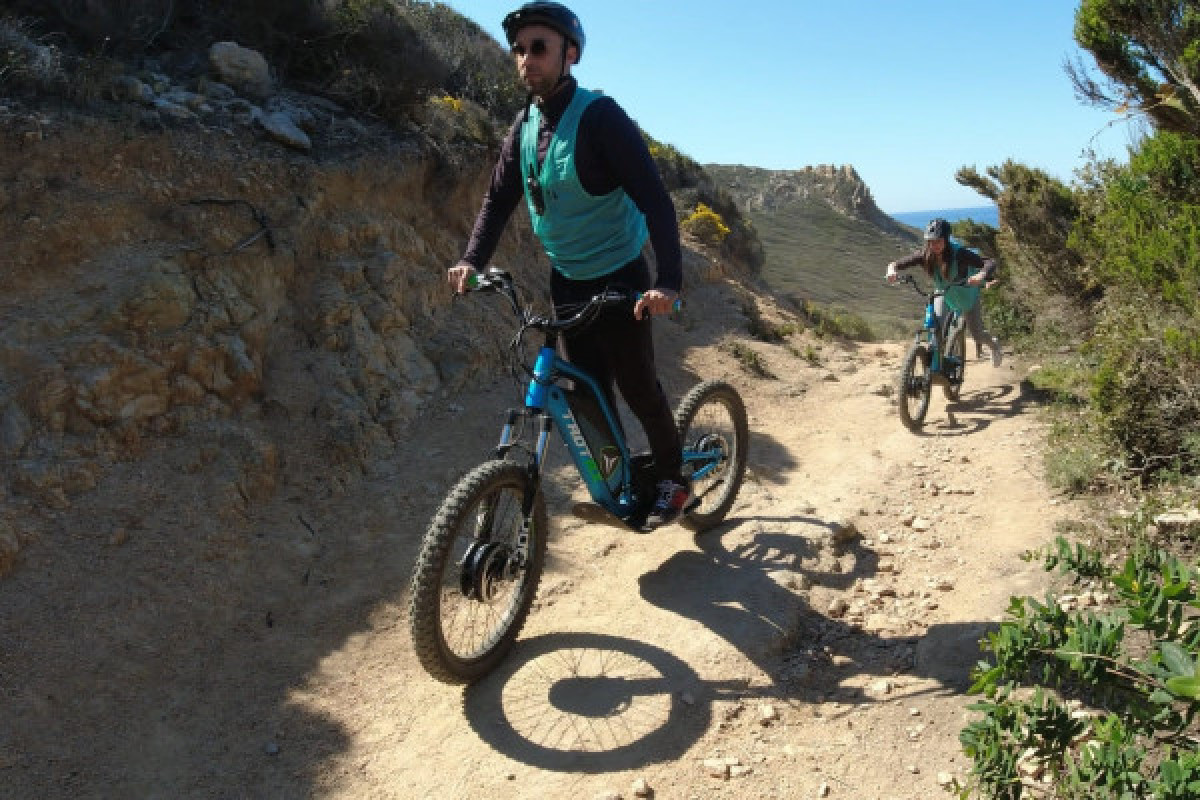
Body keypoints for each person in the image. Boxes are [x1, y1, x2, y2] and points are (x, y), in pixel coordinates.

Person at [446, 2, 690, 529]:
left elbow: (655, 200)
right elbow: (497, 200)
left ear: (570, 54)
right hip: (569, 278)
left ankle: (674, 477)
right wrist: (471, 260)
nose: (526, 59)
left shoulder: (601, 118)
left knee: (636, 384)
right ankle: (620, 480)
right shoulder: (524, 126)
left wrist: (668, 282)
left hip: (621, 276)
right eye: (519, 49)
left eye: (539, 47)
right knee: (588, 390)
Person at [885, 218, 1003, 367]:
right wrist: (891, 270)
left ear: (946, 240)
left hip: (967, 295)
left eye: (938, 241)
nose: (934, 245)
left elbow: (989, 262)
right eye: (931, 242)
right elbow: (896, 264)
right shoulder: (925, 255)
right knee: (936, 326)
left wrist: (981, 275)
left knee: (978, 335)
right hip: (944, 294)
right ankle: (938, 363)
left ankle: (994, 345)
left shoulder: (959, 253)